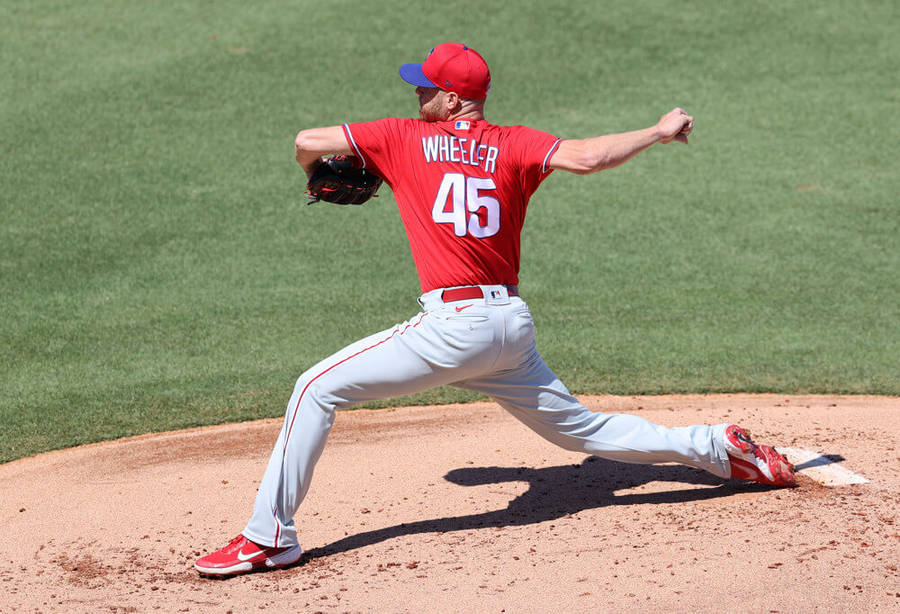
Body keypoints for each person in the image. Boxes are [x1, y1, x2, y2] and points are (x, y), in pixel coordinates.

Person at [194, 43, 795, 576]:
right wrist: (658, 131)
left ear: (454, 99)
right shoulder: (515, 144)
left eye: (426, 88)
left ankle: (269, 537)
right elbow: (589, 156)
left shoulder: (400, 137)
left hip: (454, 330)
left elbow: (307, 142)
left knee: (314, 388)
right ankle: (719, 447)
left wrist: (317, 175)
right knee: (580, 431)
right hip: (509, 329)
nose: (417, 94)